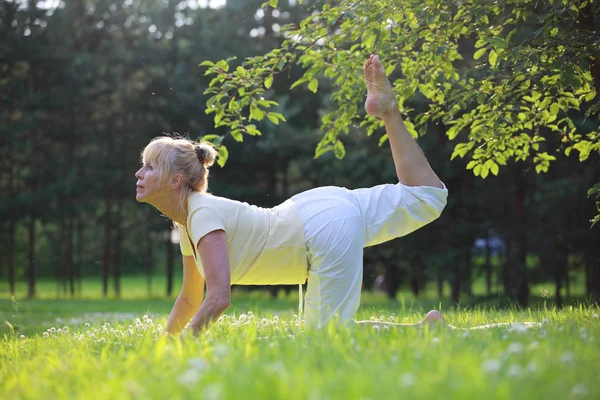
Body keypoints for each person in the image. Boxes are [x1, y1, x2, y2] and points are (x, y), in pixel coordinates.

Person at [135, 54, 449, 336]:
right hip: (315, 213)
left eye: (149, 167)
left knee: (326, 341)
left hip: (320, 228)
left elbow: (218, 297)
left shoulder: (201, 213)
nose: (139, 174)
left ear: (176, 180)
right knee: (426, 198)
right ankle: (389, 112)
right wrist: (165, 344)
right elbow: (191, 296)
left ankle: (390, 111)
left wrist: (183, 347)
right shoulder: (187, 221)